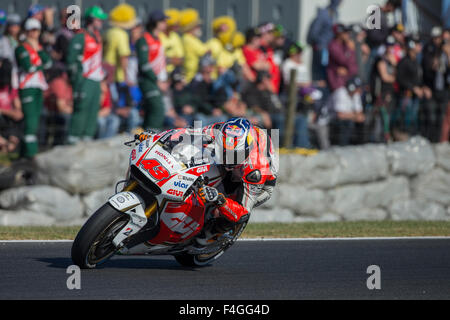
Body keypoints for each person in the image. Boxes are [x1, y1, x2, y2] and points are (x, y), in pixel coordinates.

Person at [138, 117, 278, 231]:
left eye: (233, 155)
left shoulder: (256, 169)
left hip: (261, 183)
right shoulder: (218, 130)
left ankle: (212, 234)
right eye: (224, 152)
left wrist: (220, 199)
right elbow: (186, 133)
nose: (227, 159)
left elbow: (242, 211)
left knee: (231, 215)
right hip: (239, 158)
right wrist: (156, 137)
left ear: (245, 151)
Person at [66, 6, 108, 144]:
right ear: (91, 20)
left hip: (96, 79)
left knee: (93, 111)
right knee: (81, 109)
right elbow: (71, 60)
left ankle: (87, 139)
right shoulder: (80, 36)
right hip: (84, 79)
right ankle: (73, 140)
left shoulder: (97, 36)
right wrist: (76, 81)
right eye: (98, 19)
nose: (101, 22)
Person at [15, 18, 52, 159]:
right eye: (32, 30)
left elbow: (49, 63)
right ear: (26, 32)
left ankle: (23, 156)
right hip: (27, 87)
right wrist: (39, 65)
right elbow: (28, 67)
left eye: (37, 30)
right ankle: (31, 155)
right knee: (30, 123)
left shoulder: (39, 48)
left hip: (38, 86)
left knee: (34, 123)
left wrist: (39, 50)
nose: (34, 33)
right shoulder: (21, 48)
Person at [135, 10, 168, 130]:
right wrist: (157, 80)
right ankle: (152, 137)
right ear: (155, 23)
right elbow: (144, 64)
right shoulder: (144, 39)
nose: (165, 23)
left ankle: (145, 136)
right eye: (163, 21)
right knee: (157, 108)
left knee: (151, 110)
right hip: (148, 80)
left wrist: (164, 79)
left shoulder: (158, 39)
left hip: (158, 80)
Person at [307, 0, 342, 85]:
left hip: (328, 49)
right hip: (321, 48)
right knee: (319, 74)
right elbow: (314, 32)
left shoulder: (335, 14)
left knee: (327, 73)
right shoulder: (324, 14)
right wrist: (318, 44)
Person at [180, 9, 209, 83]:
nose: (199, 28)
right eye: (197, 26)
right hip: (191, 76)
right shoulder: (188, 39)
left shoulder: (191, 38)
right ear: (191, 27)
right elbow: (204, 51)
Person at [159, 9, 184, 74]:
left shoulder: (176, 36)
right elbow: (158, 59)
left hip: (174, 72)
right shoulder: (159, 36)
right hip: (161, 72)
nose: (177, 27)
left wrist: (168, 59)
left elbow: (180, 59)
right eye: (174, 24)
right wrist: (171, 60)